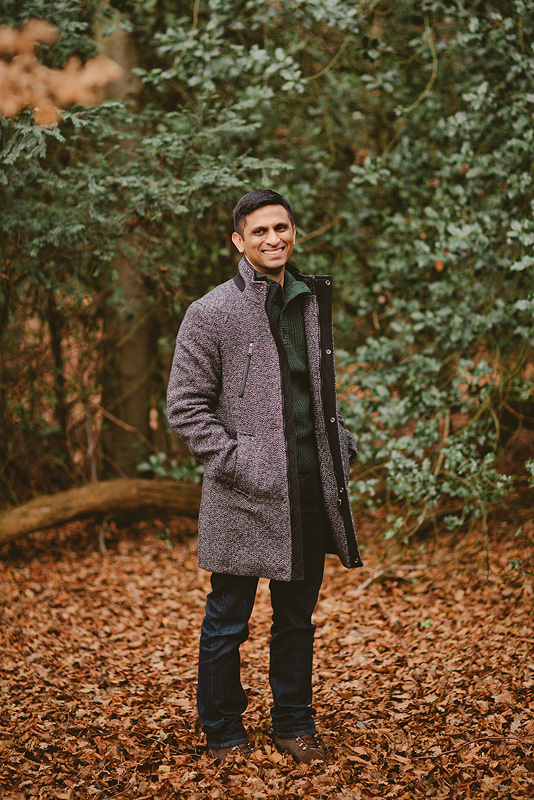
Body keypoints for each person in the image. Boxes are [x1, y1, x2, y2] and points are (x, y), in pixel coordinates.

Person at [167, 189, 362, 766]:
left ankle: (294, 724)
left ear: (293, 231)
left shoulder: (310, 298)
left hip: (310, 488)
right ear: (239, 241)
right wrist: (240, 462)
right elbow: (185, 406)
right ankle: (223, 730)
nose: (273, 239)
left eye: (282, 227)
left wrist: (340, 444)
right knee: (228, 620)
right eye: (259, 231)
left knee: (296, 619)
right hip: (243, 494)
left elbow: (316, 394)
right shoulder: (210, 312)